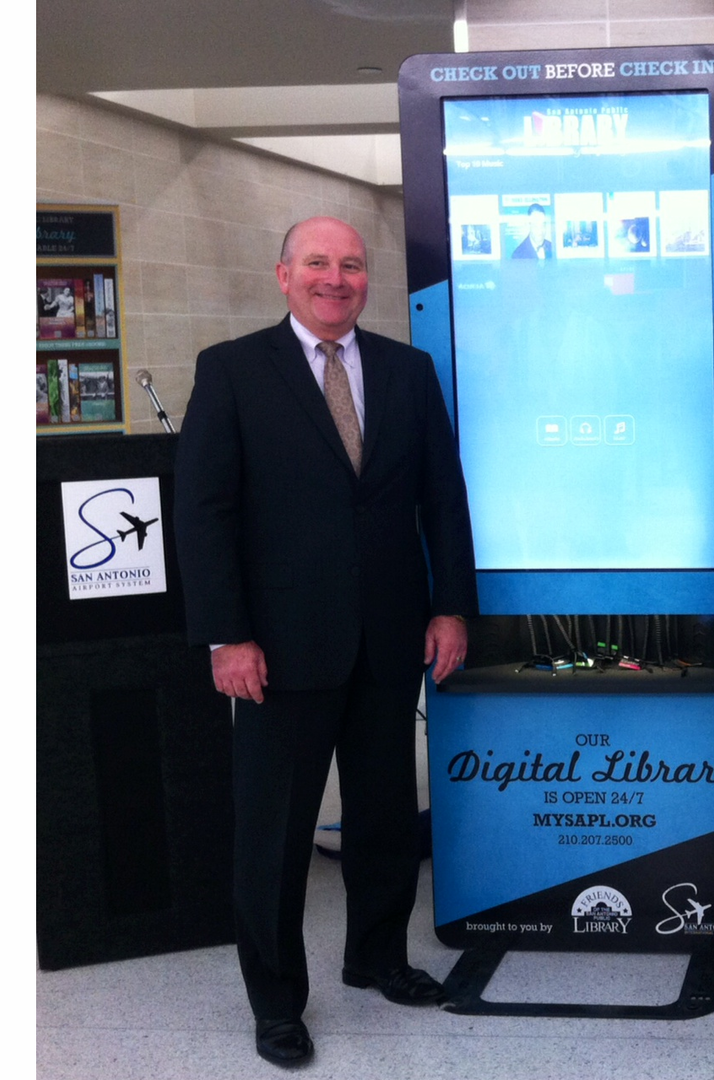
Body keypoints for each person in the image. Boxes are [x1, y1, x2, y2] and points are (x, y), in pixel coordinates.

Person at [174, 216, 478, 1068]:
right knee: (275, 835)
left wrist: (451, 607)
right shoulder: (232, 371)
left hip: (389, 640)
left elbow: (441, 499)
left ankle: (376, 957)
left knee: (383, 818)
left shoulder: (407, 371)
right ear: (283, 275)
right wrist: (225, 636)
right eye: (318, 263)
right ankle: (276, 1001)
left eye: (350, 265)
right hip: (275, 650)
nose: (335, 278)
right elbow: (203, 516)